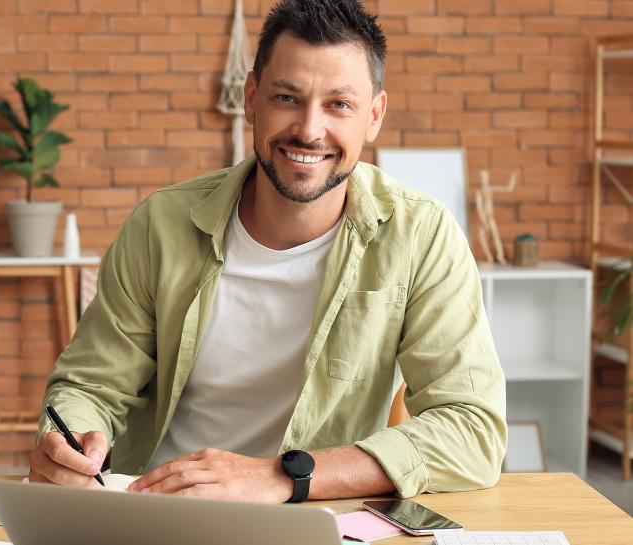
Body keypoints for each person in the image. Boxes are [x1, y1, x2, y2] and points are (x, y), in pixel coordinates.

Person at [28, 0, 506, 503]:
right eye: (287, 97)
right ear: (251, 98)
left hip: (315, 516)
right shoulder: (159, 225)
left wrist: (286, 476)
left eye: (339, 105)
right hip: (155, 506)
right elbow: (89, 386)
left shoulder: (421, 235)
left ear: (374, 116)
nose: (309, 129)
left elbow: (473, 430)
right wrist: (71, 440)